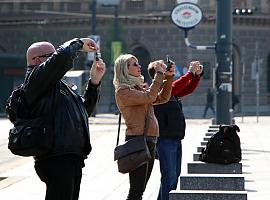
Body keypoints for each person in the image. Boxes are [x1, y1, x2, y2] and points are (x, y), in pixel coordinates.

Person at [22, 38, 106, 200]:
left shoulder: (58, 86)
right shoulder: (35, 79)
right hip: (56, 157)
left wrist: (94, 83)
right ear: (37, 60)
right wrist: (78, 43)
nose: (55, 58)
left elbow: (83, 111)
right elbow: (62, 58)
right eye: (51, 56)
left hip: (70, 156)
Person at [113, 54, 175, 200]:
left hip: (150, 139)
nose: (139, 66)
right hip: (137, 140)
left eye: (138, 63)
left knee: (141, 188)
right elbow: (149, 97)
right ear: (124, 69)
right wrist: (159, 74)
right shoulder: (123, 91)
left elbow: (162, 98)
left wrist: (168, 77)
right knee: (136, 190)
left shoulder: (138, 88)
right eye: (134, 64)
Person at [148, 61, 203, 200]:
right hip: (165, 139)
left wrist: (196, 76)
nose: (165, 66)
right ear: (157, 74)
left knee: (174, 176)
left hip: (175, 138)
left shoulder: (170, 91)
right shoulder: (157, 92)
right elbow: (175, 87)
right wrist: (189, 73)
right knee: (169, 176)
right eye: (161, 66)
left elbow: (187, 89)